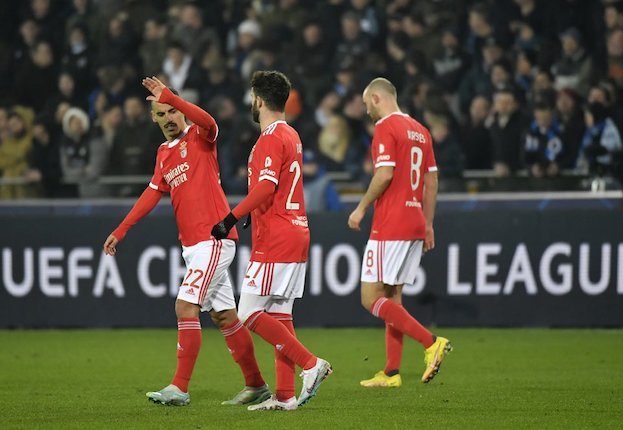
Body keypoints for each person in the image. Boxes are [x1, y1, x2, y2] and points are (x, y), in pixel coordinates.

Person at [102, 76, 269, 407]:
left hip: (214, 238)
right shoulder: (163, 153)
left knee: (184, 306)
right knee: (224, 317)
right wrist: (122, 229)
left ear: (182, 112)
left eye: (172, 112)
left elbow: (209, 120)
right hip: (192, 247)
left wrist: (172, 97)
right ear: (154, 119)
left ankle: (179, 387)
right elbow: (152, 194)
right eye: (161, 115)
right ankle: (256, 384)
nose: (168, 119)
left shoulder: (201, 137)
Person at [212, 70, 332, 411]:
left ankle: (311, 365)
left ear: (260, 100)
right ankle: (284, 395)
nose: (251, 102)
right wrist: (256, 211)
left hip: (277, 236)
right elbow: (276, 186)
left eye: (253, 97)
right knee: (280, 314)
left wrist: (232, 217)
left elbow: (265, 186)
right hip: (296, 229)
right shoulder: (291, 134)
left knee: (249, 311)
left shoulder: (268, 138)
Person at [347, 78, 452, 388]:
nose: (367, 112)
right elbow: (431, 182)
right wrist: (428, 223)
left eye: (367, 105)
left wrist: (361, 207)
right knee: (393, 296)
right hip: (415, 221)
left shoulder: (386, 128)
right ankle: (392, 373)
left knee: (370, 299)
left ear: (377, 98)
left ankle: (431, 341)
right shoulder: (421, 130)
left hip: (390, 223)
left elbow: (384, 174)